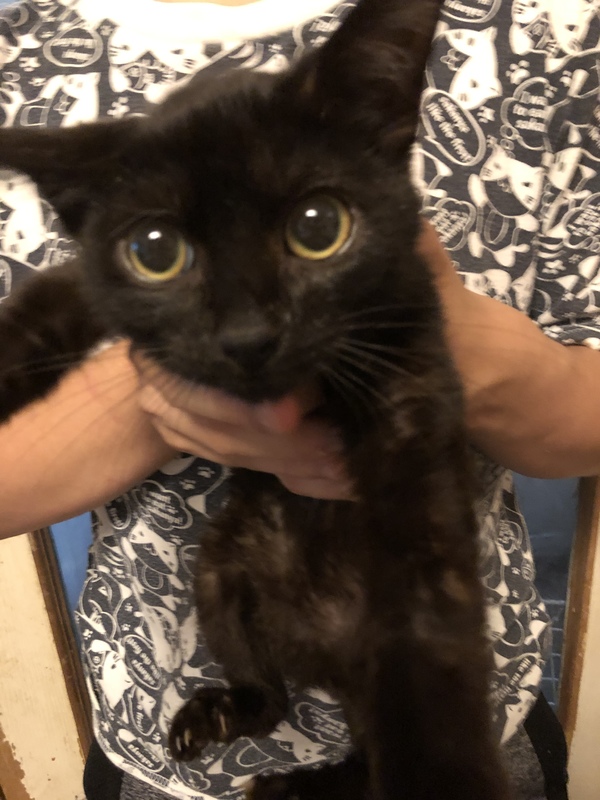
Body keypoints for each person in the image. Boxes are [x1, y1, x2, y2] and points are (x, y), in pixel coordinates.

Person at [1, 0, 598, 797]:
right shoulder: (19, 53)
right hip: (161, 734)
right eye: (158, 253)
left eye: (316, 228)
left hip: (485, 713)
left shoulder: (536, 25)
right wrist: (150, 395)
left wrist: (466, 365)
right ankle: (254, 696)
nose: (250, 331)